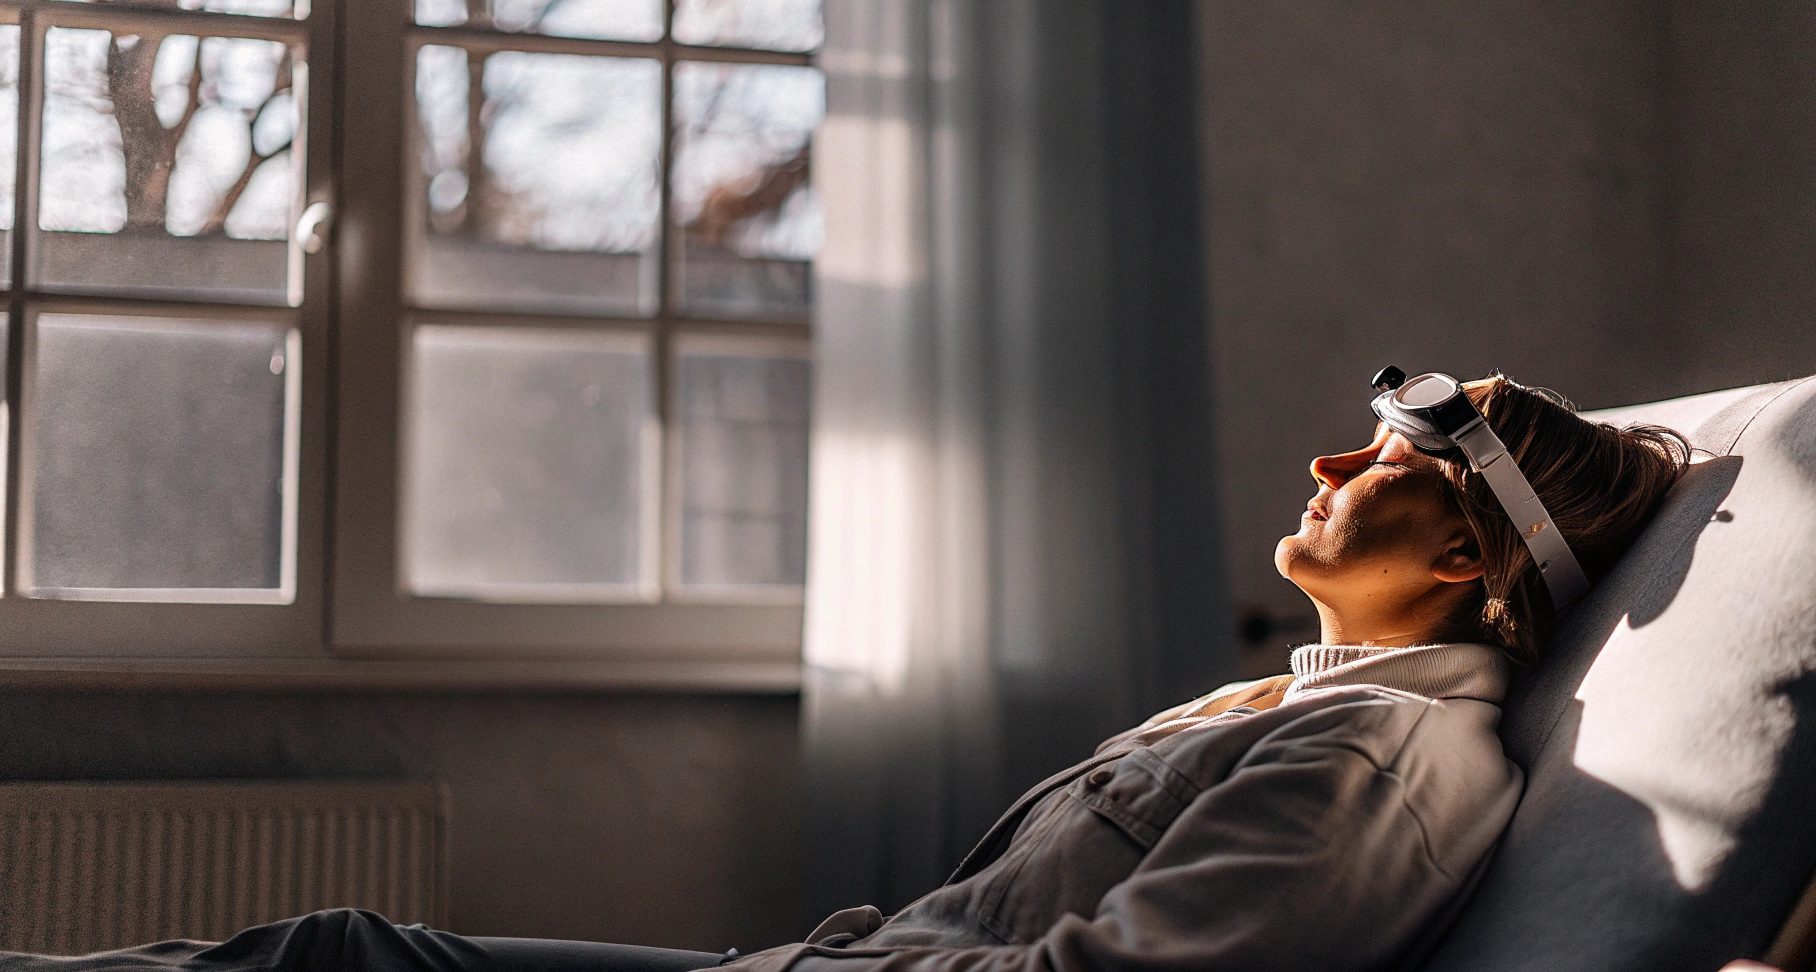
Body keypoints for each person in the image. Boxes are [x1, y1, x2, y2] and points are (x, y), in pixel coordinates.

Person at [1, 373, 1689, 972]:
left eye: (1382, 459)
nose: (1326, 465)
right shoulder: (1292, 707)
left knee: (348, 960)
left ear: (1468, 552)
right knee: (342, 951)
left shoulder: (1387, 769)